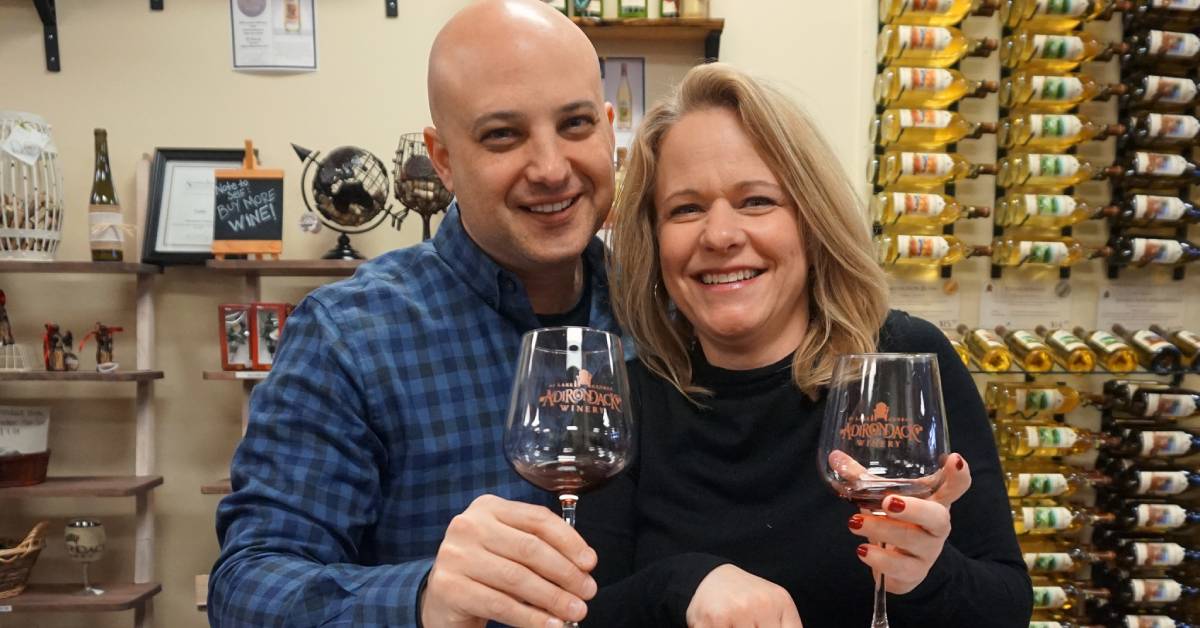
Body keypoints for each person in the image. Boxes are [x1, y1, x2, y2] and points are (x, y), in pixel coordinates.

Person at [208, 2, 622, 626]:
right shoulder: (347, 337)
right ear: (444, 158)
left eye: (575, 124)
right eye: (502, 135)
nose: (551, 168)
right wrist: (422, 599)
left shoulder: (660, 309)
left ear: (609, 127)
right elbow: (245, 590)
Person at [578, 63, 1033, 627]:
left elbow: (1006, 606)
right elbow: (582, 614)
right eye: (686, 209)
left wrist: (926, 574)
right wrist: (683, 584)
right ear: (655, 238)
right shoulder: (628, 397)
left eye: (757, 201)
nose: (719, 235)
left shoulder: (903, 361)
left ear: (811, 221)